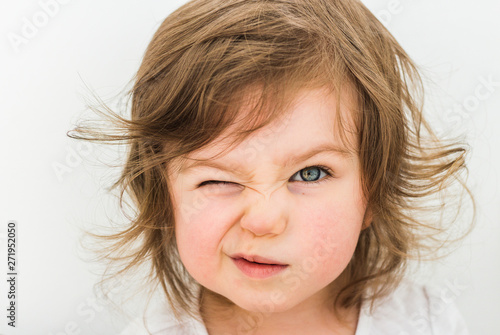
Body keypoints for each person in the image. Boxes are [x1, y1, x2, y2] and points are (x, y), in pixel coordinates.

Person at [69, 0, 473, 333]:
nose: (263, 221)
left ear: (373, 191)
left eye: (309, 173)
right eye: (218, 179)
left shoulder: (429, 323)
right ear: (164, 198)